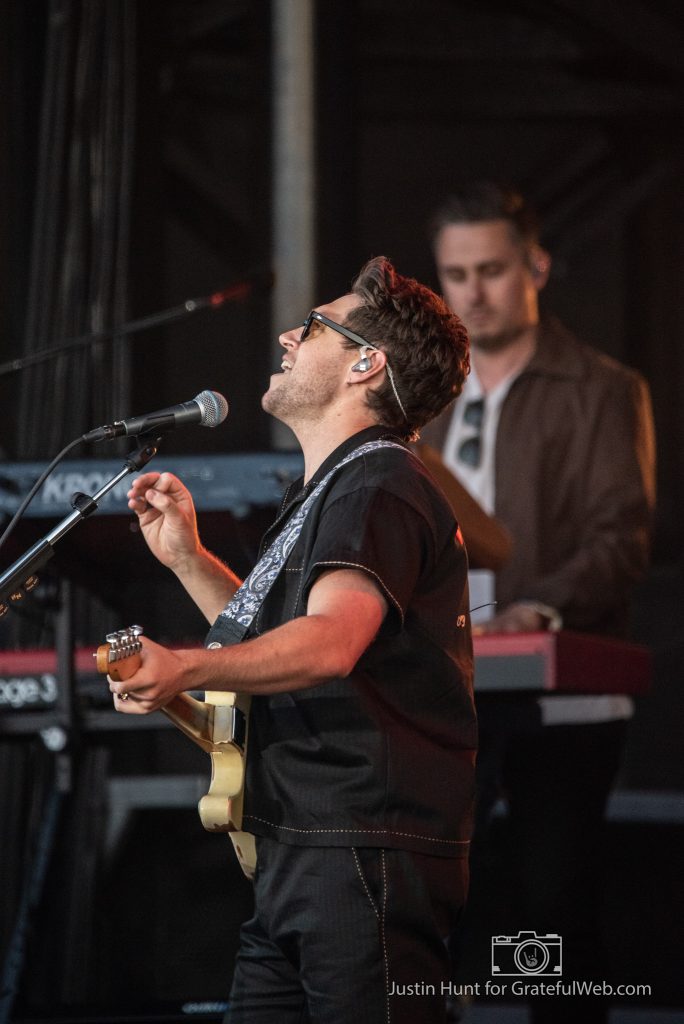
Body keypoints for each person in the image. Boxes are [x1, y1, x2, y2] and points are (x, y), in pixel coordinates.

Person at [109, 256, 476, 1024]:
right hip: (306, 851)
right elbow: (282, 638)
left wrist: (185, 667)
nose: (287, 336)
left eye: (312, 326)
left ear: (366, 364)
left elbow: (331, 642)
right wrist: (189, 560)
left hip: (358, 851)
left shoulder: (379, 483)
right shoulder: (337, 486)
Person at [423, 182, 656, 1023]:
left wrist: (540, 611)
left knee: (552, 908)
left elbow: (620, 539)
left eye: (491, 270)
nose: (473, 293)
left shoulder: (602, 386)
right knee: (430, 900)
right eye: (456, 275)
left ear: (538, 267)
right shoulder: (425, 398)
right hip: (450, 688)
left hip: (563, 695)